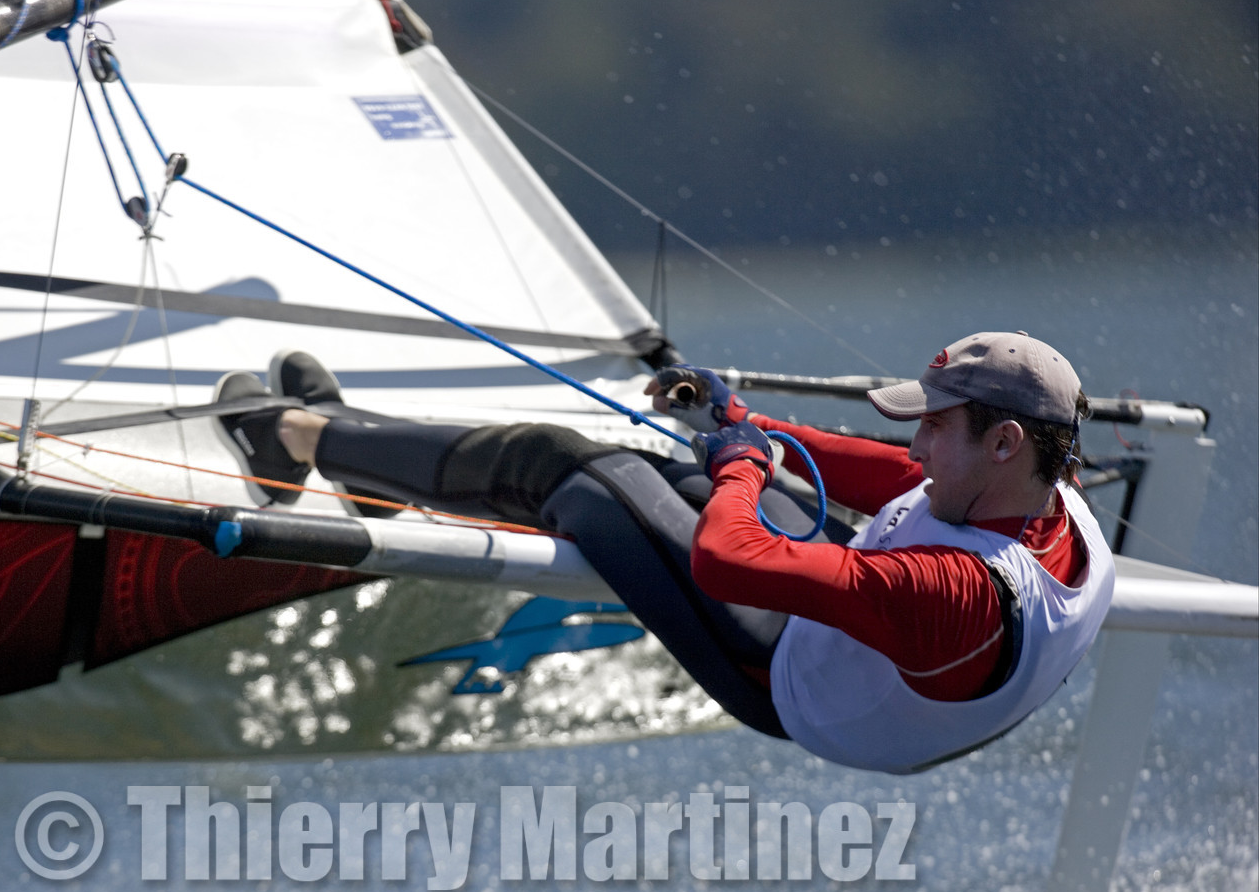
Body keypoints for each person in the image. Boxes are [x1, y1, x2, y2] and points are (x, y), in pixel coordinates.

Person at [212, 332, 1114, 774]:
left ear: (1004, 443)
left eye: (935, 426)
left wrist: (739, 470)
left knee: (562, 468)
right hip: (875, 655)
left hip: (787, 680)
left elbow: (731, 563)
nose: (915, 444)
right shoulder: (1048, 491)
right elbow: (889, 478)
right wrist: (738, 428)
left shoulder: (952, 595)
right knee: (653, 472)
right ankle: (357, 440)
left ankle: (286, 439)